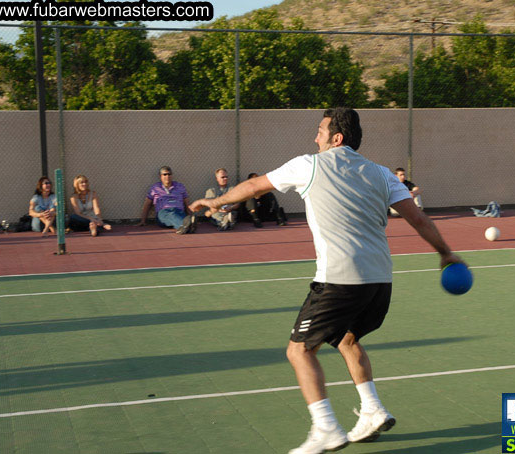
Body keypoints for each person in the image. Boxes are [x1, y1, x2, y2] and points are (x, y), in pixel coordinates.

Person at [189, 108, 463, 454]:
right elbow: (419, 219)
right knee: (347, 339)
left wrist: (216, 201)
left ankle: (326, 428)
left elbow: (254, 186)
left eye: (320, 131)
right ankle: (373, 410)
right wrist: (446, 254)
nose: (314, 138)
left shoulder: (310, 165)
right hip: (380, 281)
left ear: (337, 138)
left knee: (299, 350)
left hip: (339, 280)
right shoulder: (382, 174)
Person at [137, 166, 196, 234]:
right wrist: (143, 220)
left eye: (169, 174)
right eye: (165, 174)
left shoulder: (180, 186)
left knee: (178, 215)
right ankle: (187, 225)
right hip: (163, 213)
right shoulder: (155, 188)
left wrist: (191, 215)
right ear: (160, 176)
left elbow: (187, 203)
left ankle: (185, 226)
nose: (167, 176)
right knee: (173, 215)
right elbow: (147, 204)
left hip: (178, 211)